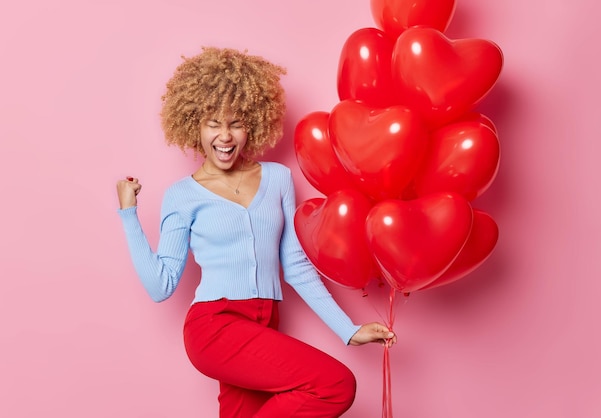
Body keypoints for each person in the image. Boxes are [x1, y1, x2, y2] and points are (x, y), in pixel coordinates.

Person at [116, 46, 396, 418]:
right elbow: (160, 285)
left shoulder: (278, 179)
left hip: (265, 322)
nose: (225, 136)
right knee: (334, 385)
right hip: (214, 327)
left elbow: (295, 266)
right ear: (194, 125)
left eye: (236, 123)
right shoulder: (182, 196)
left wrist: (348, 329)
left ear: (253, 122)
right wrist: (128, 213)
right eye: (213, 123)